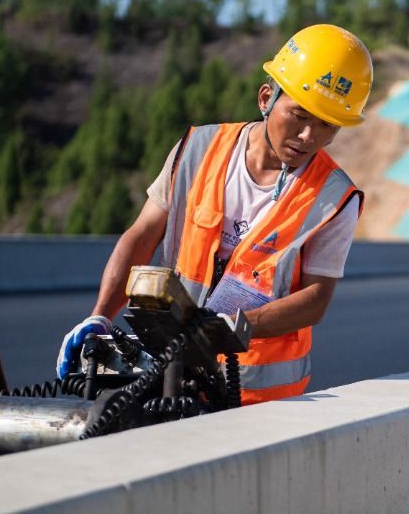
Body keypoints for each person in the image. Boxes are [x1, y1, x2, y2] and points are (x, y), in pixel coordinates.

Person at [56, 23, 372, 405]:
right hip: (170, 375)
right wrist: (101, 317)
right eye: (299, 115)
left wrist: (224, 330)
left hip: (261, 397)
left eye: (327, 125)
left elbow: (316, 299)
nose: (309, 136)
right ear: (266, 98)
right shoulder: (198, 149)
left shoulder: (334, 198)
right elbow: (142, 235)